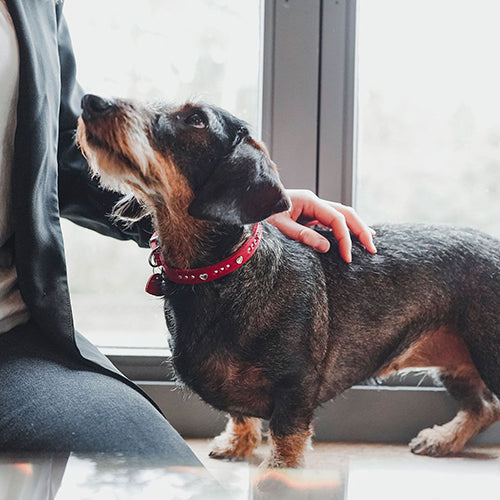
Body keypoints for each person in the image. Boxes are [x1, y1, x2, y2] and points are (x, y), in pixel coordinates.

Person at [0, 0, 376, 459]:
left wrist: (234, 206)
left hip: (12, 339)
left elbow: (60, 151)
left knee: (165, 476)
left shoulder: (36, 5)